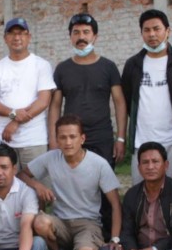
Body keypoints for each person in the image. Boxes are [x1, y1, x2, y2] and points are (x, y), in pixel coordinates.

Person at [20, 115, 122, 250]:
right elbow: (21, 175)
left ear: (82, 139)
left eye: (72, 137)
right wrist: (37, 185)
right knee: (40, 223)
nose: (68, 142)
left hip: (88, 222)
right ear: (57, 139)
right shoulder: (51, 158)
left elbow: (116, 204)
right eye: (63, 137)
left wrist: (115, 239)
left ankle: (87, 249)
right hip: (60, 221)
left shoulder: (99, 164)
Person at [97, 142, 172, 250]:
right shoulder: (132, 194)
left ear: (166, 165)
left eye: (155, 162)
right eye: (145, 162)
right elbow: (126, 231)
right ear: (139, 168)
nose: (150, 167)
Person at [121, 9, 172, 185]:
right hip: (141, 140)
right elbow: (127, 100)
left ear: (168, 31)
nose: (152, 34)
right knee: (141, 192)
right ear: (141, 33)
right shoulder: (133, 65)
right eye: (147, 30)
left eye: (157, 29)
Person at [48, 12, 127, 167]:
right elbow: (55, 106)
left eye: (86, 32)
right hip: (71, 139)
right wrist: (53, 139)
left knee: (104, 180)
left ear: (95, 36)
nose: (81, 37)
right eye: (76, 32)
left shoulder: (108, 67)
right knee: (72, 180)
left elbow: (120, 103)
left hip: (102, 137)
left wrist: (121, 138)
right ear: (70, 37)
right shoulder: (62, 69)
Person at [0, 17, 56, 168]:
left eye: (21, 33)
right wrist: (13, 113)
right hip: (4, 140)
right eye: (12, 33)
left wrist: (15, 121)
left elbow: (43, 101)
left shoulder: (41, 65)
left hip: (34, 140)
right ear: (5, 38)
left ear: (29, 37)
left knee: (36, 181)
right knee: (5, 181)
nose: (17, 38)